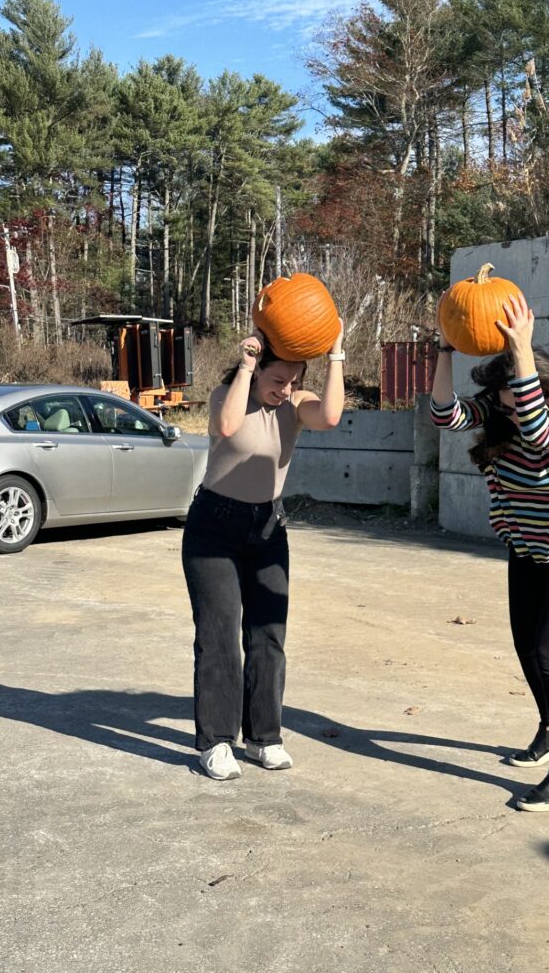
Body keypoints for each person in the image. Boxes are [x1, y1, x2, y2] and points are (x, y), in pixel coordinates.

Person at [431, 294, 549, 811]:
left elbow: (539, 430)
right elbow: (444, 414)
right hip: (528, 546)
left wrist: (520, 348)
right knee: (526, 648)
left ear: (540, 387)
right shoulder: (504, 410)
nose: (505, 404)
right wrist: (446, 349)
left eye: (513, 391)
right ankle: (548, 727)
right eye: (502, 395)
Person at [182, 322, 345, 780]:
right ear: (256, 373)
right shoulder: (225, 394)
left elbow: (330, 417)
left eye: (294, 381)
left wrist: (335, 354)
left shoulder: (295, 406)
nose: (286, 388)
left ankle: (263, 737)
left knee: (267, 636)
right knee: (218, 637)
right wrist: (248, 365)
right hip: (214, 527)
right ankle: (216, 742)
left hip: (269, 528)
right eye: (277, 380)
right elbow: (228, 426)